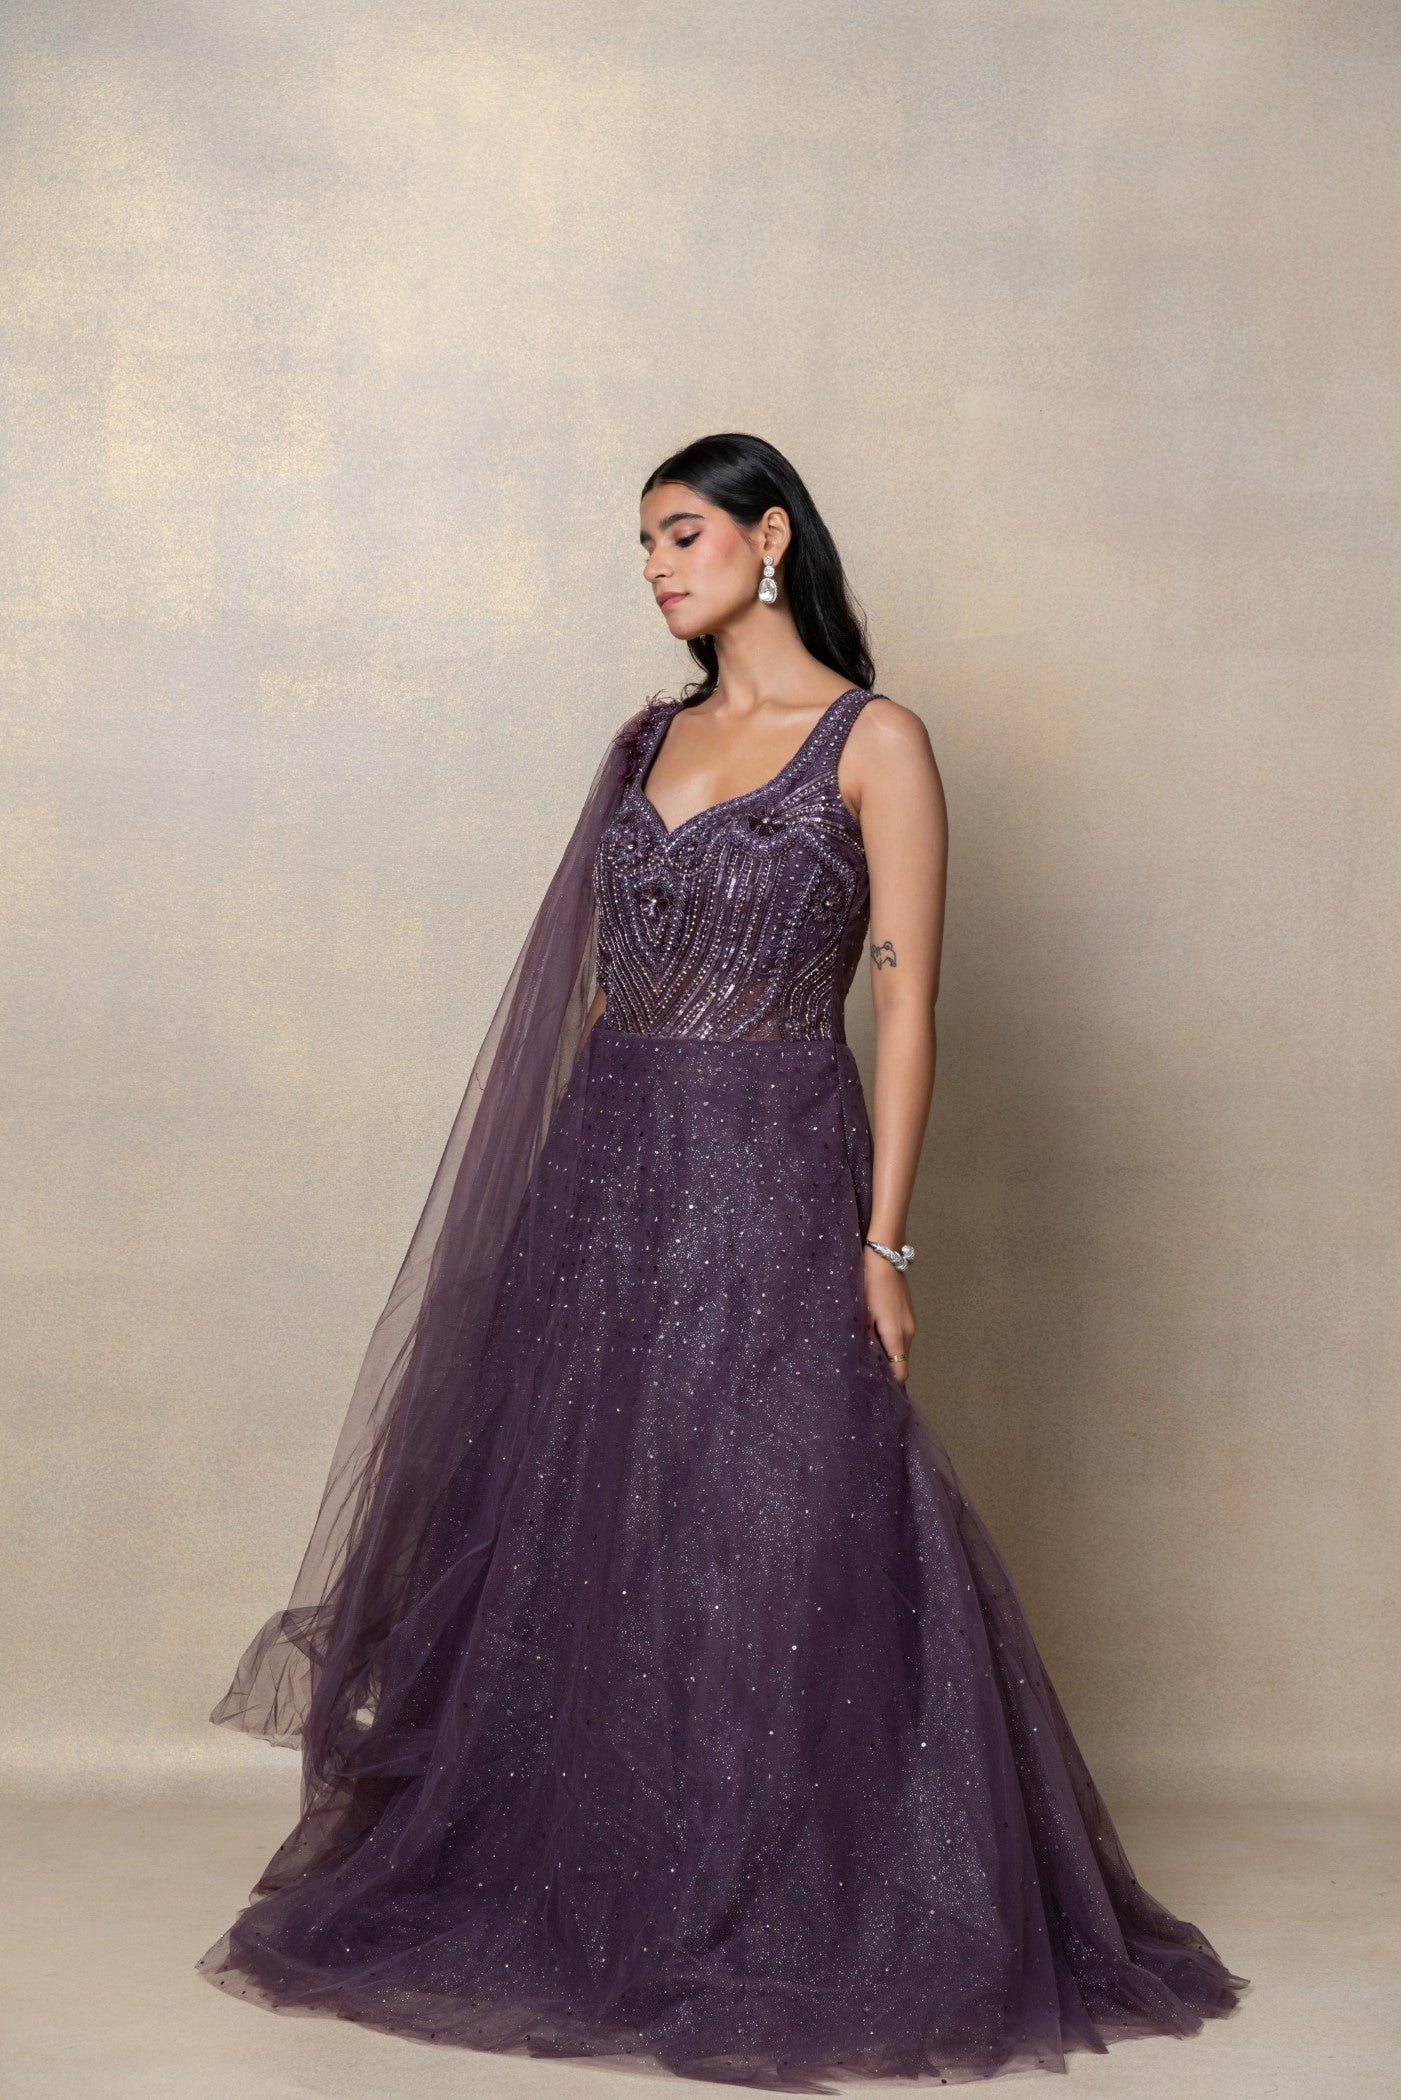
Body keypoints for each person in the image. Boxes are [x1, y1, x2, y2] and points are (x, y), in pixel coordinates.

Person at [197, 432, 1246, 2087]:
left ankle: (785, 1889)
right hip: (611, 1163)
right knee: (594, 1504)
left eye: (678, 535)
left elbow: (904, 1001)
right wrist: (550, 1200)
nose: (653, 568)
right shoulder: (644, 740)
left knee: (774, 1506)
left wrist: (882, 1240)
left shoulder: (874, 742)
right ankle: (596, 1874)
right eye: (640, 545)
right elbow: (592, 989)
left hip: (772, 1155)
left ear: (768, 538)